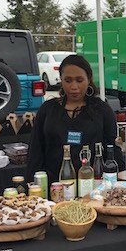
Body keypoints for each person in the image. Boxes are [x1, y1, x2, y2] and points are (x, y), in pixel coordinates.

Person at [25, 54, 118, 185]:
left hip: (92, 187)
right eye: (68, 80)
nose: (74, 87)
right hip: (53, 187)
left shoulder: (102, 111)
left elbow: (113, 150)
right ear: (61, 79)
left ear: (89, 79)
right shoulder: (48, 109)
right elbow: (35, 151)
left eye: (79, 80)